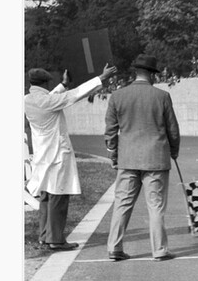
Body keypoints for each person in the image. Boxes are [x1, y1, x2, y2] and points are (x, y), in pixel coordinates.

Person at [24, 63, 117, 250]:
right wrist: (101, 78)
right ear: (45, 84)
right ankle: (56, 239)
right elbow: (77, 94)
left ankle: (44, 235)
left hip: (42, 156)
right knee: (59, 197)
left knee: (45, 196)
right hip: (57, 154)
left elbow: (49, 98)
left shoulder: (27, 99)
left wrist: (62, 86)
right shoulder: (49, 102)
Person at [104, 54, 181, 261]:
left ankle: (114, 247)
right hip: (156, 157)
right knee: (155, 206)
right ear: (151, 74)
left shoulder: (117, 96)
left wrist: (113, 152)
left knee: (122, 203)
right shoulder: (162, 96)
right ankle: (159, 250)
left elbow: (110, 130)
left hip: (128, 158)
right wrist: (174, 150)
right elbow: (172, 129)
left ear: (135, 72)